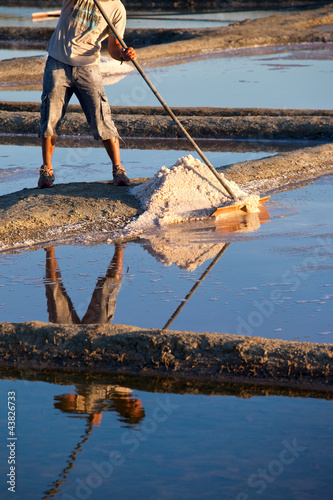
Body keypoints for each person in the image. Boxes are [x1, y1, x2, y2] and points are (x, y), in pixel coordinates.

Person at [38, 0, 136, 189]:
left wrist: (123, 55)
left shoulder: (117, 9)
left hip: (88, 67)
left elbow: (114, 47)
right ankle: (46, 170)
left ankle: (118, 169)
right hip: (58, 62)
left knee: (102, 118)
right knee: (50, 116)